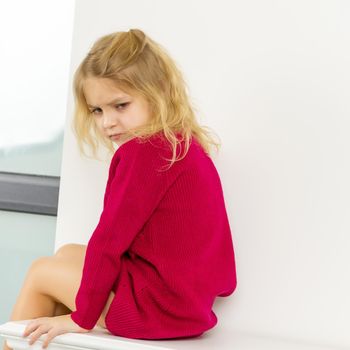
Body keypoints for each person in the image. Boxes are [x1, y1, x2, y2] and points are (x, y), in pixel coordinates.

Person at [4, 28, 237, 350]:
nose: (106, 122)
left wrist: (81, 317)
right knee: (67, 253)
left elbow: (109, 239)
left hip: (159, 311)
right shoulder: (182, 144)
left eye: (120, 106)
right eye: (97, 111)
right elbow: (216, 238)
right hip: (185, 303)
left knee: (42, 271)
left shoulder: (142, 152)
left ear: (160, 92)